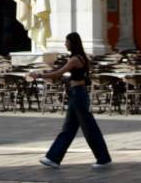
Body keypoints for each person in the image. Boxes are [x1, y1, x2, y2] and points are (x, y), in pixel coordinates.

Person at [37, 32, 111, 170]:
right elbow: (75, 75)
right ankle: (53, 158)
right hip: (76, 94)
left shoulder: (75, 59)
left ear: (72, 43)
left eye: (67, 42)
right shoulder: (82, 57)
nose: (65, 44)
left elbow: (59, 73)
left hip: (78, 96)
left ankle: (103, 158)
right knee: (69, 128)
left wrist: (39, 75)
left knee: (89, 128)